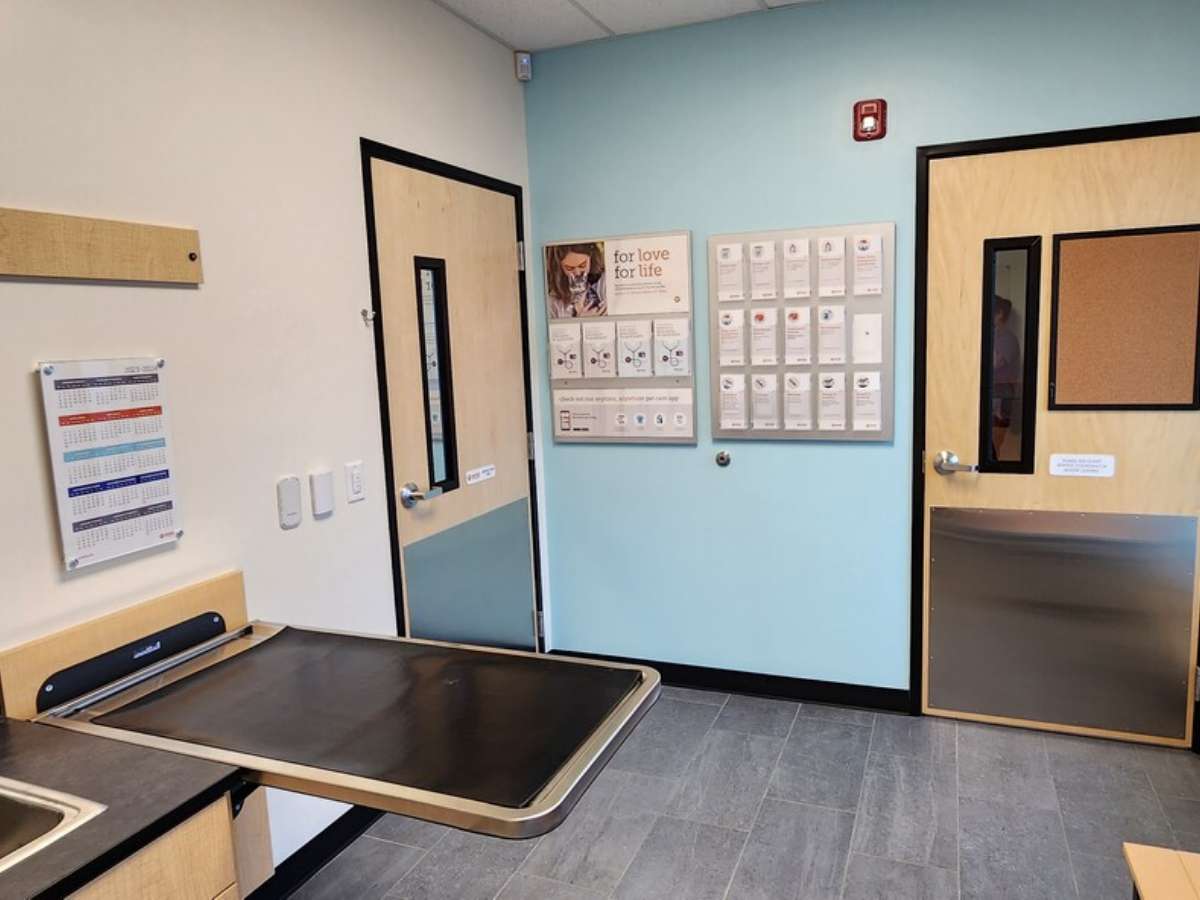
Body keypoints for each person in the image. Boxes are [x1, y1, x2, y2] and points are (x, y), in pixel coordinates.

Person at [992, 296, 1021, 458]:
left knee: (994, 450)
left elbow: (993, 364)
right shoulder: (996, 336)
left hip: (1000, 404)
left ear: (1000, 314)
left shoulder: (1007, 338)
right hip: (993, 400)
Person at [546, 243, 607, 318]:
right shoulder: (553, 303)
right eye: (569, 268)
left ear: (591, 258)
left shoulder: (607, 281)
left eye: (582, 265)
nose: (577, 273)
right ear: (559, 267)